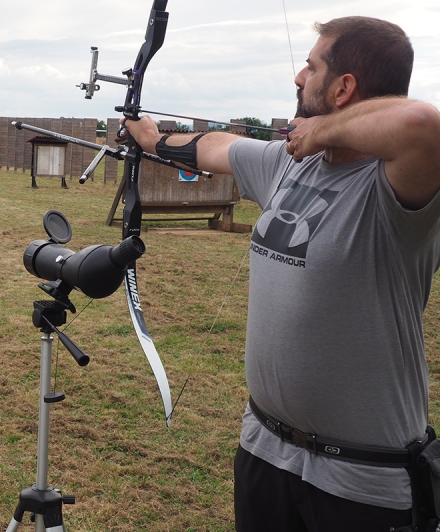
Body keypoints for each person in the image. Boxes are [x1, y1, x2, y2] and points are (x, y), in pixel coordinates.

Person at [122, 16, 440, 532]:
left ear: (343, 88)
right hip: (265, 451)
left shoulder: (398, 187)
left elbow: (423, 125)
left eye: (311, 67)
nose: (298, 78)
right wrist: (153, 139)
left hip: (362, 480)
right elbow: (215, 146)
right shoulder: (289, 164)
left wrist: (325, 129)